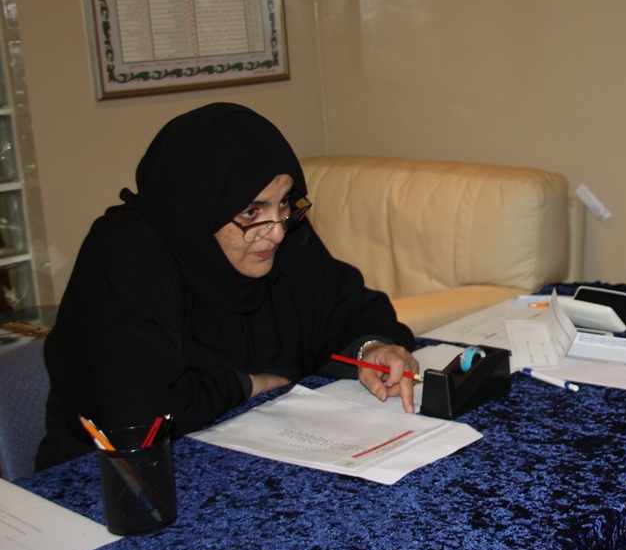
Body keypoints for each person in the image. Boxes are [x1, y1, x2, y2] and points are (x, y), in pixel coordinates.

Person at [36, 103, 418, 471]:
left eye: (285, 203)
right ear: (199, 206)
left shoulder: (276, 235)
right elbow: (139, 413)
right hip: (116, 481)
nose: (277, 231)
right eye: (251, 211)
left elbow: (348, 308)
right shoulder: (125, 253)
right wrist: (245, 385)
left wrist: (371, 348)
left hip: (258, 451)